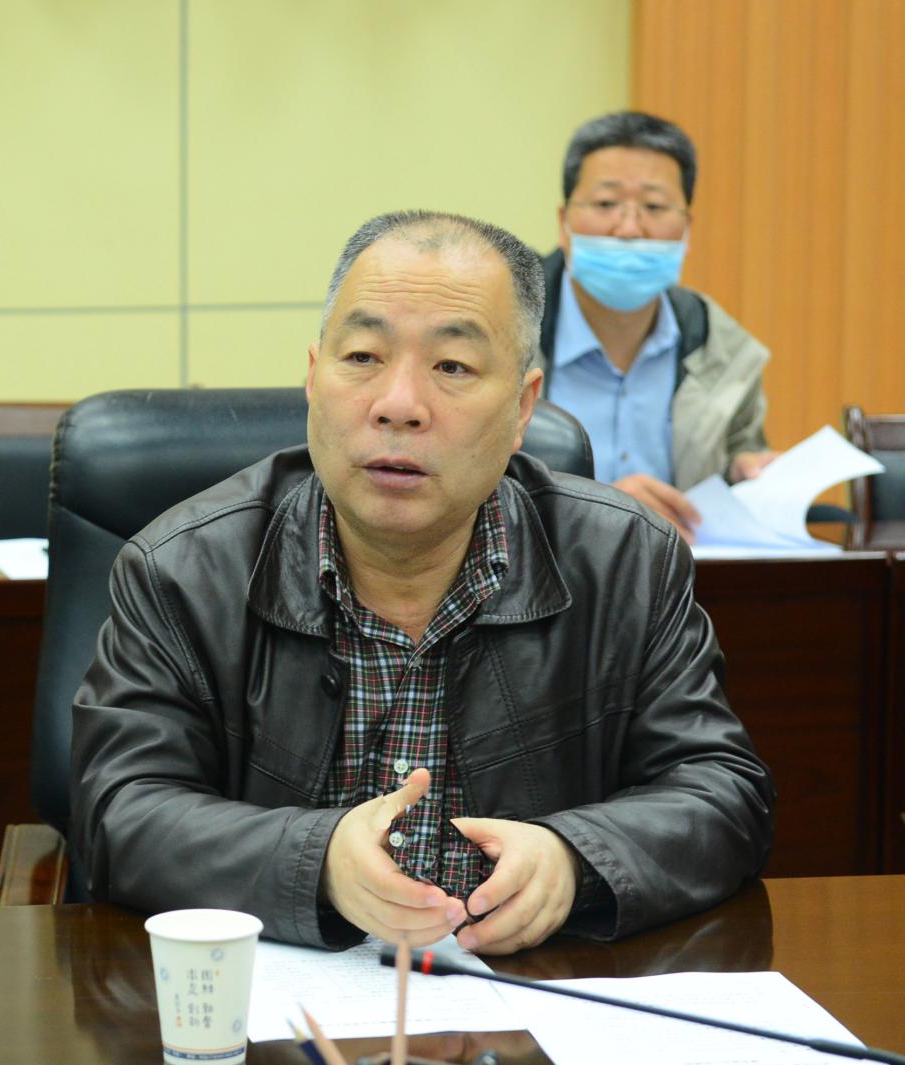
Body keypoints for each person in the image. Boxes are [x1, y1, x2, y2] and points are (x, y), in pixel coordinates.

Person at [71, 210, 773, 956]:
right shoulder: (181, 569)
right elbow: (120, 811)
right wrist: (318, 859)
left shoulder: (626, 561)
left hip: (530, 994)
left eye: (453, 367)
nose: (398, 404)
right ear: (313, 377)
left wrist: (572, 859)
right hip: (280, 998)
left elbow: (721, 791)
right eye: (362, 356)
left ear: (523, 407)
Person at [539, 111, 778, 541]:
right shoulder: (502, 334)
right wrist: (600, 509)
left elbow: (739, 453)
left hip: (682, 576)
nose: (630, 229)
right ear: (564, 223)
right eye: (605, 204)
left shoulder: (722, 347)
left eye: (654, 207)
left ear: (687, 229)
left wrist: (744, 473)